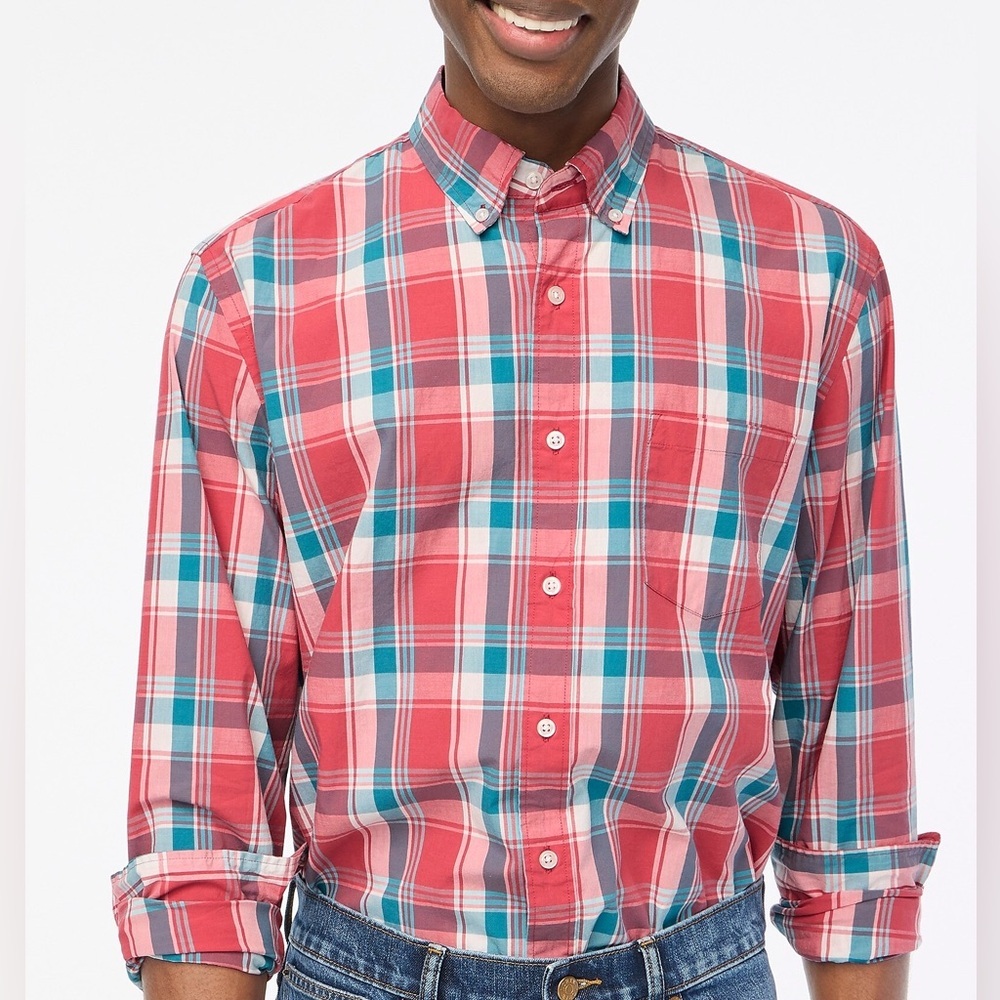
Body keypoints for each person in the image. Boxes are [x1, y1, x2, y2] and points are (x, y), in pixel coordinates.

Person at [110, 2, 940, 998]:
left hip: (696, 963)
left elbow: (851, 749)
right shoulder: (255, 290)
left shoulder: (814, 276)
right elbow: (203, 797)